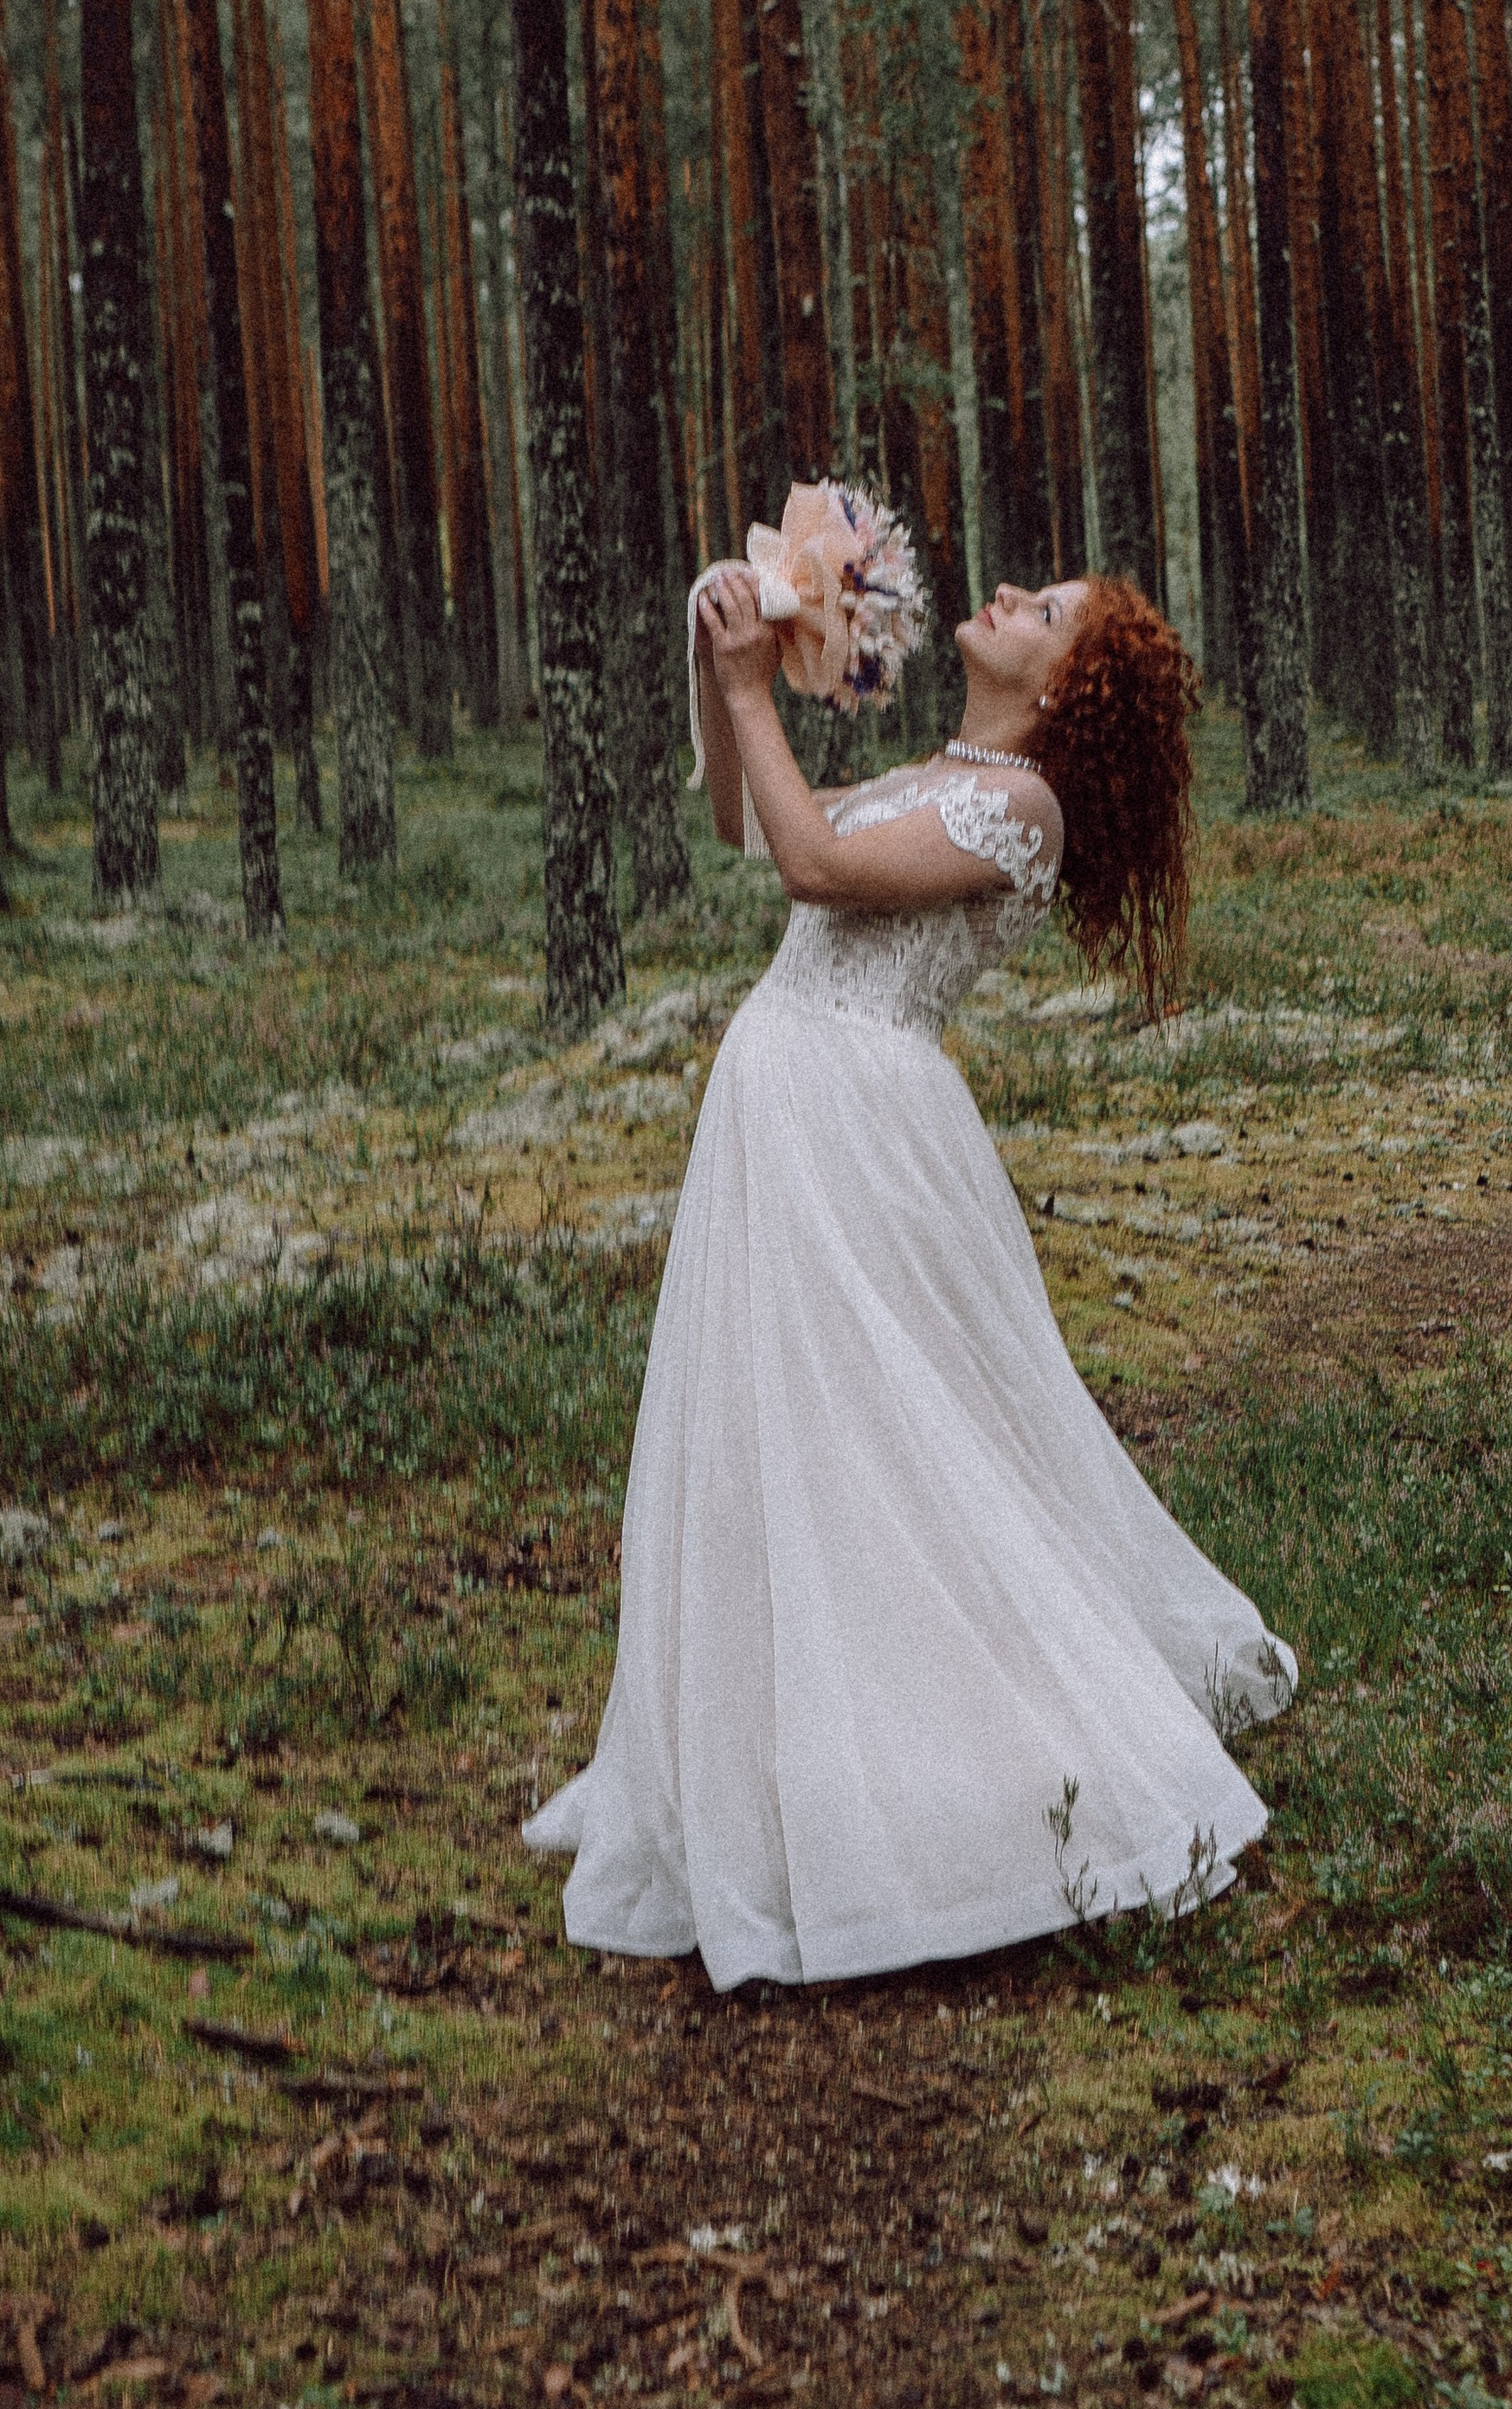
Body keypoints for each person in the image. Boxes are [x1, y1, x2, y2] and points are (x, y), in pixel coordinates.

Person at [523, 570, 1296, 1989]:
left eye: (1044, 609)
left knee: (898, 1445)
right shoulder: (949, 767)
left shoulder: (1025, 811)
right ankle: (799, 1759)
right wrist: (724, 661)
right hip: (790, 1105)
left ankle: (951, 1779)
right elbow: (749, 818)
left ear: (1066, 685)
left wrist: (760, 697)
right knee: (792, 1443)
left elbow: (815, 870)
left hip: (857, 1128)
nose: (1007, 593)